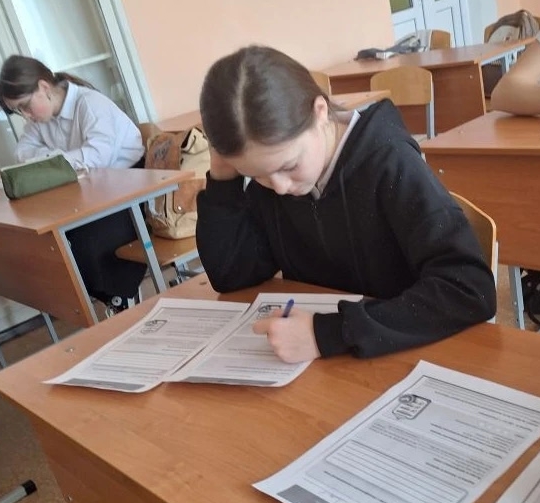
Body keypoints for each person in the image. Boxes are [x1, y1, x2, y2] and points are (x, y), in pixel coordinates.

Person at [195, 45, 496, 362]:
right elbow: (232, 276)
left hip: (405, 352)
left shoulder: (390, 161)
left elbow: (469, 288)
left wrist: (327, 333)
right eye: (256, 175)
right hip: (333, 363)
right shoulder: (272, 171)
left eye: (289, 166)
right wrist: (223, 177)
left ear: (320, 112)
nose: (280, 187)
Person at [0, 55, 145, 309]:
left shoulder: (89, 103)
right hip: (89, 192)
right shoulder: (40, 120)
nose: (26, 116)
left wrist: (52, 160)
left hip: (130, 187)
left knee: (85, 240)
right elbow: (22, 153)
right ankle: (98, 303)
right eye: (19, 111)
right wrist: (61, 160)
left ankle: (119, 300)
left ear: (44, 87)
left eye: (25, 106)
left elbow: (97, 157)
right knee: (51, 240)